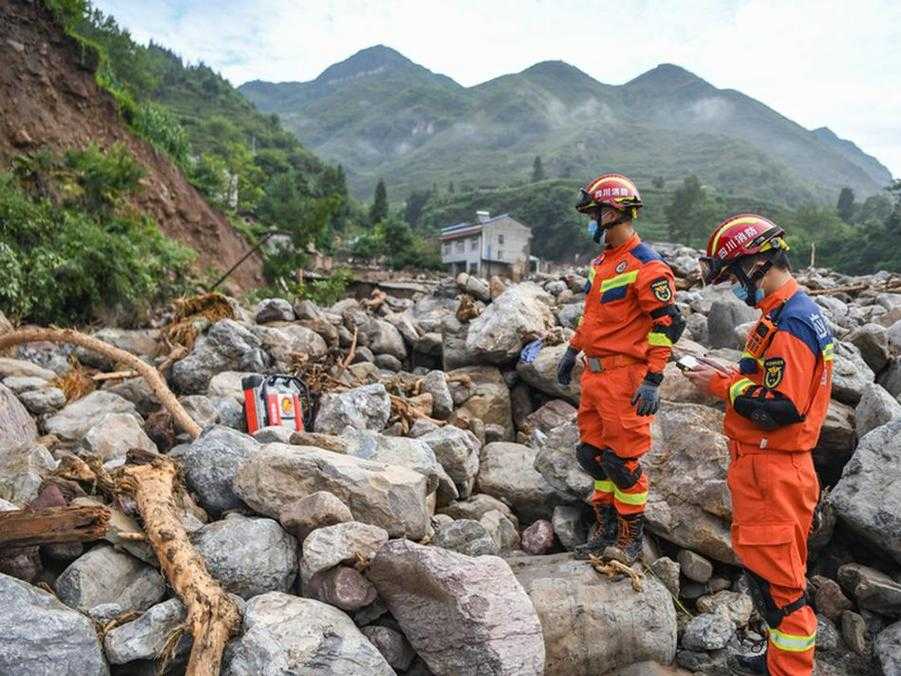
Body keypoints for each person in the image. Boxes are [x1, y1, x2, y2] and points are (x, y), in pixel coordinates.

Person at [683, 214, 833, 676]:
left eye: (733, 276)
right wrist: (728, 374)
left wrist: (720, 387)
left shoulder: (792, 323)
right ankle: (777, 661)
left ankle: (790, 669)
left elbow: (783, 406)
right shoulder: (781, 314)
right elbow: (769, 382)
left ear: (756, 264)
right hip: (764, 468)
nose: (733, 286)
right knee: (768, 578)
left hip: (775, 471)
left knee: (780, 591)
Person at [556, 173, 684, 564]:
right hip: (594, 375)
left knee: (622, 463)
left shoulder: (648, 266)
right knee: (592, 455)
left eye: (593, 213)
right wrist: (572, 350)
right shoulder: (601, 264)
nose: (589, 221)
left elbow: (667, 325)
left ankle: (629, 539)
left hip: (626, 377)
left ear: (612, 213)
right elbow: (592, 316)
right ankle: (604, 531)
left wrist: (653, 379)